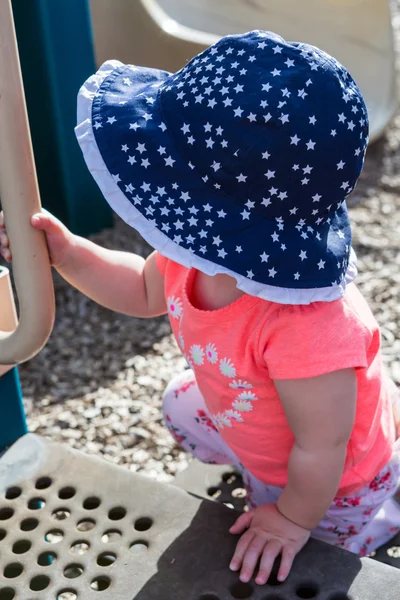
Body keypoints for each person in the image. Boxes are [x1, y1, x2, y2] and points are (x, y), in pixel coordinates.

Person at [1, 30, 400, 585]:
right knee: (180, 403)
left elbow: (323, 445)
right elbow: (141, 290)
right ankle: (262, 475)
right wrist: (67, 255)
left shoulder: (311, 326)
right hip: (260, 420)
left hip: (337, 481)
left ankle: (378, 518)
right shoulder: (195, 252)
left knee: (315, 547)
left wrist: (289, 520)